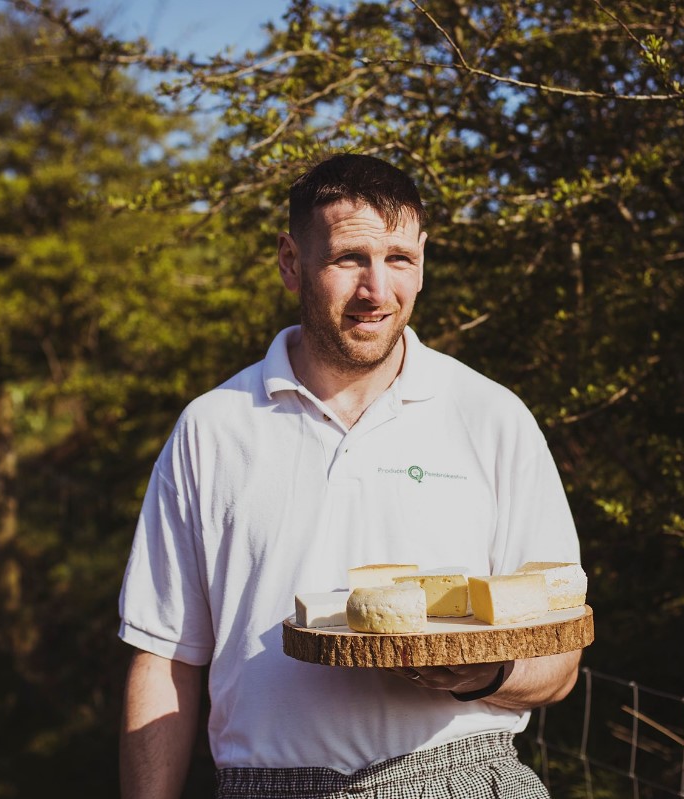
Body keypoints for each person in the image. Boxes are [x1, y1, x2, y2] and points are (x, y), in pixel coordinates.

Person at [118, 153, 584, 799]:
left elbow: (560, 660)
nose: (377, 290)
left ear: (424, 259)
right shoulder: (212, 428)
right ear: (291, 261)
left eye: (399, 258)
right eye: (349, 259)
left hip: (463, 776)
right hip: (266, 787)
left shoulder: (492, 416)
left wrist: (481, 673)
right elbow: (165, 655)